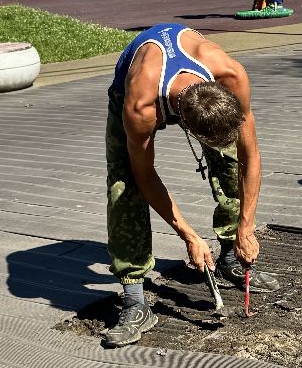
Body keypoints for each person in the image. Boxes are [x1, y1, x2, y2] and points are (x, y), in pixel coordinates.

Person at [104, 23, 278, 346]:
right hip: (133, 87)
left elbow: (251, 156)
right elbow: (145, 176)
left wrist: (246, 226)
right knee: (124, 185)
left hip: (187, 82)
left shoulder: (230, 75)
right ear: (186, 127)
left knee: (230, 161)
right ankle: (134, 298)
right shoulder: (140, 105)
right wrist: (189, 236)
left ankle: (229, 255)